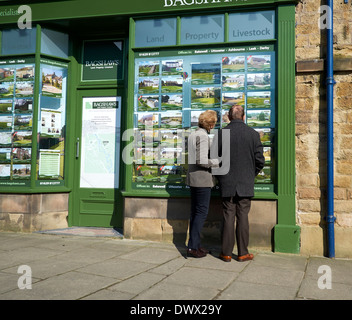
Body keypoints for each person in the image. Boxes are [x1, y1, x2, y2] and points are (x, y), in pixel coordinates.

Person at [215, 105, 265, 262]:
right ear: (244, 117)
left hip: (227, 182)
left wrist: (220, 177)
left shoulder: (222, 133)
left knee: (228, 216)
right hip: (245, 182)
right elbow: (260, 161)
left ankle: (226, 253)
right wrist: (251, 174)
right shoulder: (253, 134)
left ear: (229, 117)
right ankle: (243, 253)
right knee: (243, 216)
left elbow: (214, 160)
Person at [186, 110, 219, 258]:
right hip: (202, 180)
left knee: (195, 213)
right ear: (211, 124)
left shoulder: (193, 134)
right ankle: (193, 248)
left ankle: (195, 244)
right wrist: (217, 162)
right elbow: (202, 160)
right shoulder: (203, 136)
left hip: (193, 179)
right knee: (201, 213)